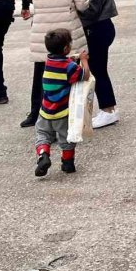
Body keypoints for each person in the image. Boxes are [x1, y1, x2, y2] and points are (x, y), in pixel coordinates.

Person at [19, 0, 90, 128]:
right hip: (68, 32)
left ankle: (36, 114)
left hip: (42, 32)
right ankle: (71, 118)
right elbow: (83, 5)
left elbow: (32, 0)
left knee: (41, 74)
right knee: (71, 77)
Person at [34, 28, 91, 177]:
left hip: (45, 111)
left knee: (42, 134)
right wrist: (84, 60)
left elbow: (61, 66)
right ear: (66, 48)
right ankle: (67, 163)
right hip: (62, 112)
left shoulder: (49, 62)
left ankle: (43, 154)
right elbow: (85, 76)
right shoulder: (69, 67)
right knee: (66, 137)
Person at [74, 0, 119, 129]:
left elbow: (90, 12)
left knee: (98, 71)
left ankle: (108, 110)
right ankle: (107, 109)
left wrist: (72, 8)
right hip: (99, 28)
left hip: (97, 29)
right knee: (97, 70)